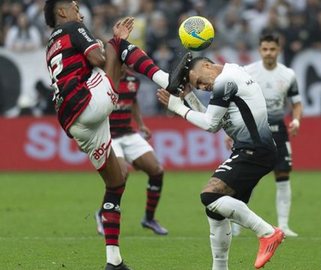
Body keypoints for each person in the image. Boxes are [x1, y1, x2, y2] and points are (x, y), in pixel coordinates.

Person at [44, 1, 170, 269]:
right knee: (116, 46)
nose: (79, 11)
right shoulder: (74, 27)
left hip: (74, 123)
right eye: (75, 6)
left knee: (116, 182)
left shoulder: (50, 46)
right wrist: (114, 42)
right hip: (87, 104)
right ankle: (165, 79)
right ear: (63, 12)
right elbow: (99, 59)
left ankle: (114, 261)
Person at [157, 54, 285, 270]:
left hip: (253, 150)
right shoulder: (233, 72)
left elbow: (209, 124)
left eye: (199, 81)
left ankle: (268, 233)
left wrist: (178, 107)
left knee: (210, 195)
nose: (202, 87)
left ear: (207, 65)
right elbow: (215, 123)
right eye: (197, 86)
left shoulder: (225, 80)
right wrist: (189, 98)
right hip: (256, 149)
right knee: (215, 210)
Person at [234, 33, 303, 237]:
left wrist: (296, 119)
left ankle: (283, 225)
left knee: (283, 175)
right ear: (259, 50)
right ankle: (237, 224)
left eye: (272, 49)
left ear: (278, 50)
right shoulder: (248, 72)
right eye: (265, 49)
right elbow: (236, 102)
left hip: (278, 129)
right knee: (247, 177)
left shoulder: (288, 75)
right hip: (252, 129)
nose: (268, 53)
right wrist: (234, 129)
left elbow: (296, 103)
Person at [94, 67, 168, 236]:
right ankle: (102, 214)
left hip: (128, 133)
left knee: (156, 170)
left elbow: (133, 102)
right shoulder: (101, 79)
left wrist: (141, 124)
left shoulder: (133, 80)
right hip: (108, 136)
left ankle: (149, 219)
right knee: (120, 175)